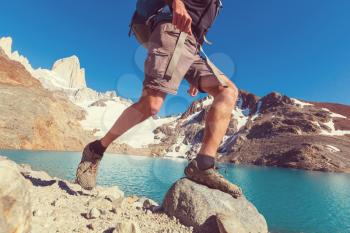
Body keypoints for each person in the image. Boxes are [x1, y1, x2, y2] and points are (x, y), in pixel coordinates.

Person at [76, 0, 242, 198]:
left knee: (228, 91)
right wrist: (176, 3)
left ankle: (203, 165)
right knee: (152, 104)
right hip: (172, 30)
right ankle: (95, 150)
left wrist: (192, 75)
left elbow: (197, 24)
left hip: (193, 49)